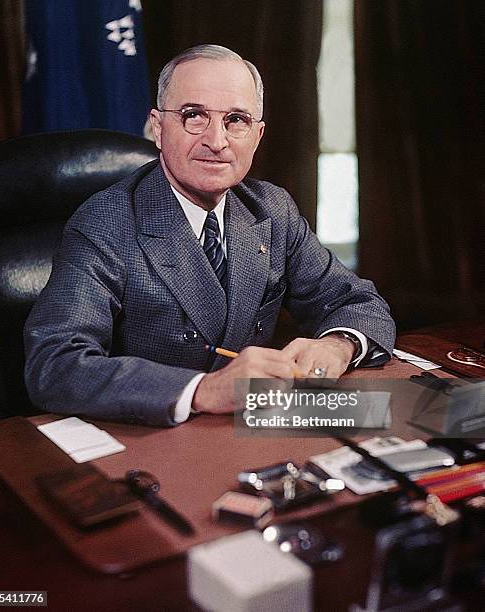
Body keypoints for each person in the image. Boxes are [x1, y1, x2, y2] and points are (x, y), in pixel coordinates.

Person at [24, 44, 395, 427]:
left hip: (249, 428)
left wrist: (338, 345)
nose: (217, 142)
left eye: (236, 120)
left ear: (257, 134)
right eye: (194, 116)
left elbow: (358, 301)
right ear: (157, 126)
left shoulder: (271, 208)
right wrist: (204, 390)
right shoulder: (106, 222)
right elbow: (56, 364)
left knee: (418, 428)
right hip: (150, 437)